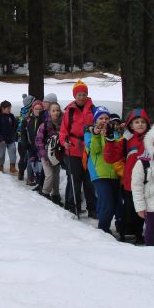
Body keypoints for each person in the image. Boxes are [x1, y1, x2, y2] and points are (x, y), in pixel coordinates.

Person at [59, 80, 97, 217]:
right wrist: (64, 142)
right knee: (75, 179)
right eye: (79, 94)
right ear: (75, 96)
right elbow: (63, 131)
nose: (81, 97)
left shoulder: (93, 109)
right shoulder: (69, 111)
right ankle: (73, 206)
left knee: (89, 180)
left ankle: (92, 208)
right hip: (73, 148)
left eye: (84, 94)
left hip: (89, 149)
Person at [84, 106, 120, 232]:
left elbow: (118, 150)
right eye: (101, 118)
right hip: (99, 173)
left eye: (106, 118)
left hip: (114, 173)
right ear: (95, 120)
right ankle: (103, 229)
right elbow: (95, 150)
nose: (104, 121)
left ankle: (117, 228)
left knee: (116, 203)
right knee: (107, 203)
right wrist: (96, 135)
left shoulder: (114, 133)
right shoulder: (89, 133)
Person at [36, 102, 63, 205]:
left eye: (57, 110)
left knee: (56, 175)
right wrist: (44, 157)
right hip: (46, 155)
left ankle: (55, 195)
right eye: (53, 111)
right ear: (49, 112)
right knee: (50, 175)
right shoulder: (44, 125)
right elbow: (38, 141)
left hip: (57, 155)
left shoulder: (62, 125)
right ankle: (45, 194)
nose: (56, 113)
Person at [21, 100, 45, 190]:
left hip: (40, 146)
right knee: (31, 162)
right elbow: (23, 133)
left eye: (40, 109)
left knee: (39, 164)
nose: (38, 111)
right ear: (32, 109)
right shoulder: (27, 120)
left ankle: (39, 179)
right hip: (30, 145)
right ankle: (30, 177)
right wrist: (25, 143)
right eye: (36, 109)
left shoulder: (44, 119)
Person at [0, 100, 17, 173]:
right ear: (3, 108)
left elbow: (14, 126)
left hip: (10, 139)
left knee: (13, 152)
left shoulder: (11, 116)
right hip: (2, 140)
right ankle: (0, 166)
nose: (9, 110)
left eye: (10, 108)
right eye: (8, 108)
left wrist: (13, 134)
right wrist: (0, 139)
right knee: (1, 155)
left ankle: (12, 167)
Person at [17, 94, 35, 182]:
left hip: (24, 140)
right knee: (25, 158)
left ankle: (24, 173)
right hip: (23, 140)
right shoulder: (27, 114)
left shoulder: (23, 111)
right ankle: (22, 173)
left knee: (25, 158)